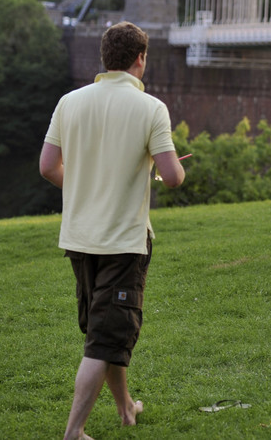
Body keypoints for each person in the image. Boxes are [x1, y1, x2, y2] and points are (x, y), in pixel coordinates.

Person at [39, 22, 186, 440]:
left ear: (103, 58)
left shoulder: (69, 102)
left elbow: (48, 167)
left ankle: (126, 409)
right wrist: (167, 165)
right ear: (140, 59)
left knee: (106, 329)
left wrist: (88, 184)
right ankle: (74, 432)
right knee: (105, 337)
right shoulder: (152, 108)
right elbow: (173, 177)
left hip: (79, 239)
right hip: (124, 242)